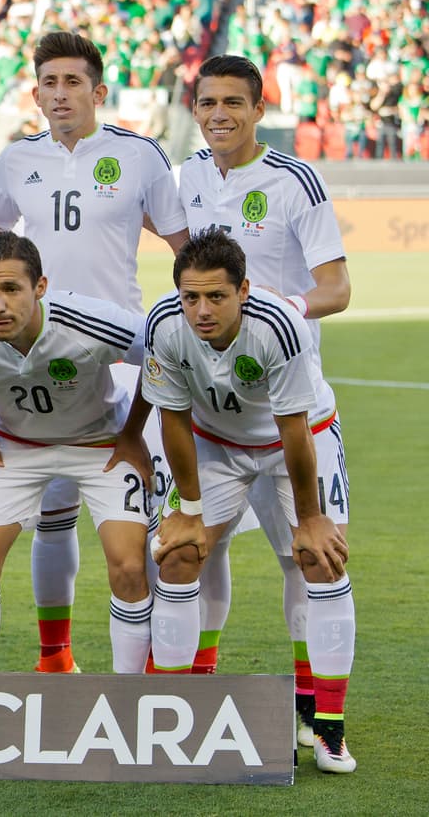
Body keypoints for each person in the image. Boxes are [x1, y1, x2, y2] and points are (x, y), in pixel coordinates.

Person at [0, 31, 190, 674]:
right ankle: (55, 657)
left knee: (136, 527)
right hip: (40, 357)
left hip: (120, 360)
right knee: (53, 516)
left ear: (98, 91)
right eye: (48, 83)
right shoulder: (17, 160)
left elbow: (181, 244)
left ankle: (151, 671)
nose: (59, 94)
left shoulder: (140, 155)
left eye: (72, 83)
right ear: (35, 93)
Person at [180, 54, 352, 739]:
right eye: (207, 102)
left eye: (233, 102)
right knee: (201, 551)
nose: (219, 114)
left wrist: (279, 308)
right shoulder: (188, 174)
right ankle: (193, 694)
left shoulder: (294, 180)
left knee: (303, 557)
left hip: (289, 407)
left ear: (258, 108)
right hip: (212, 409)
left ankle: (314, 708)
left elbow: (337, 288)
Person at [141, 228, 356, 774]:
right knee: (179, 554)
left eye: (217, 296)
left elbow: (294, 432)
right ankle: (171, 712)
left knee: (320, 561)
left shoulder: (278, 328)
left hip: (301, 439)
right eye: (191, 297)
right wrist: (188, 508)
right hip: (216, 444)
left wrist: (309, 519)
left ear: (244, 290)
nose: (202, 310)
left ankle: (328, 727)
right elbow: (173, 420)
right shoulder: (165, 326)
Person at [0, 231, 190, 675]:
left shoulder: (91, 322)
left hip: (100, 446)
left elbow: (161, 354)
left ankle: (128, 700)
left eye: (11, 289)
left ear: (40, 288)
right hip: (16, 447)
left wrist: (133, 432)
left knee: (130, 567)